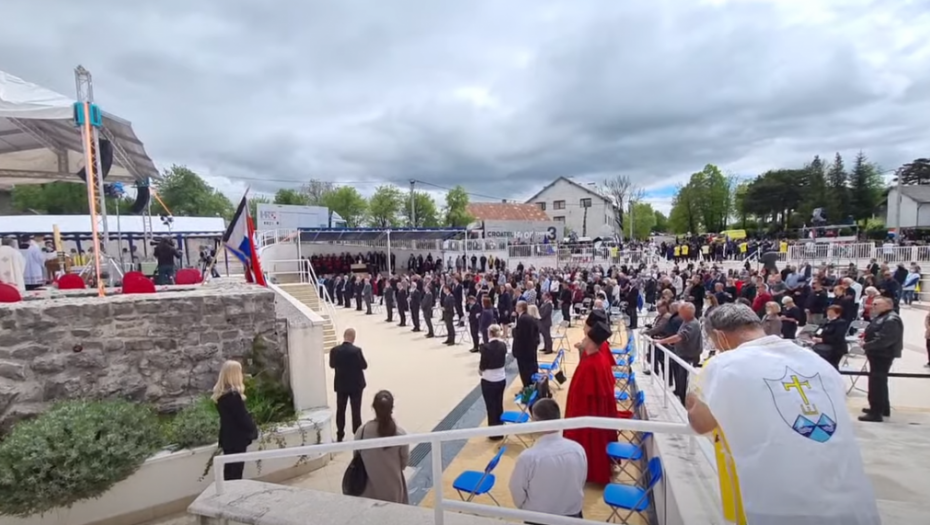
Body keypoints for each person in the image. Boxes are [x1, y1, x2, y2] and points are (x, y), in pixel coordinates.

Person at [687, 303, 880, 525]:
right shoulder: (819, 363)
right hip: (854, 505)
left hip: (784, 509)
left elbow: (700, 422)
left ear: (720, 337)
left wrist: (693, 396)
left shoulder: (725, 365)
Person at [509, 398, 586, 523]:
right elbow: (581, 480)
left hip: (539, 517)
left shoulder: (529, 457)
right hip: (572, 514)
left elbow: (516, 489)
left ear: (536, 422)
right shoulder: (577, 449)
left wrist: (527, 509)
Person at [563, 316, 618, 485]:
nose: (583, 339)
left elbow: (588, 393)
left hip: (586, 410)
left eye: (586, 338)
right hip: (588, 406)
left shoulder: (593, 363)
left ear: (593, 342)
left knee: (589, 439)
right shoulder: (595, 358)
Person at [355, 391, 410, 504]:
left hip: (367, 491)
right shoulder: (400, 434)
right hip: (393, 490)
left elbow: (356, 456)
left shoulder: (362, 432)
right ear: (392, 408)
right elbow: (404, 462)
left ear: (373, 408)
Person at [859, 297, 903, 422]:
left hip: (882, 355)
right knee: (879, 382)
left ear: (887, 305)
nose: (873, 306)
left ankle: (876, 412)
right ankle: (882, 407)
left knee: (877, 383)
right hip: (877, 354)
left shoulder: (891, 319)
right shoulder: (882, 317)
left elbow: (885, 339)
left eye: (876, 304)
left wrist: (867, 345)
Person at [213, 360, 258, 481]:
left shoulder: (220, 396)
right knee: (236, 470)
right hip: (237, 439)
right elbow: (242, 417)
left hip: (227, 438)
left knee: (229, 469)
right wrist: (253, 429)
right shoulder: (233, 396)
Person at [656, 302, 702, 406]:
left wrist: (661, 341)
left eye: (681, 312)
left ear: (686, 313)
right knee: (678, 374)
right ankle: (678, 391)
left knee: (683, 377)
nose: (679, 314)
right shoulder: (686, 321)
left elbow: (679, 336)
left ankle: (682, 399)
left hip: (687, 355)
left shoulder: (691, 324)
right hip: (680, 352)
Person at [329, 328, 368, 441]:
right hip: (356, 385)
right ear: (353, 338)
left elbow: (332, 365)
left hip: (341, 385)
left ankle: (340, 433)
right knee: (356, 410)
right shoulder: (356, 351)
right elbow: (364, 366)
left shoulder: (334, 350)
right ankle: (357, 433)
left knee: (340, 410)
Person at [479, 324, 508, 440]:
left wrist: (480, 370)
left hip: (489, 380)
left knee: (490, 407)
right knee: (499, 404)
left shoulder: (485, 348)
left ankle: (494, 433)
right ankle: (500, 429)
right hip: (501, 378)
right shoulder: (503, 345)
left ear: (490, 333)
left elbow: (483, 364)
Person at [512, 301, 541, 387]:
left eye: (517, 306)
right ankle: (533, 387)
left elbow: (520, 335)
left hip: (524, 351)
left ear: (521, 308)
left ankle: (527, 389)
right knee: (531, 369)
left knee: (525, 371)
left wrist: (514, 330)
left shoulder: (523, 319)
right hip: (530, 349)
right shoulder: (530, 317)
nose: (515, 308)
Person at [811, 305, 849, 369]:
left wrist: (823, 340)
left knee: (831, 365)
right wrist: (814, 336)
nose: (829, 314)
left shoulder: (841, 323)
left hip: (835, 348)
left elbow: (837, 337)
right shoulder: (825, 321)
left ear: (837, 314)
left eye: (831, 312)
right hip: (822, 346)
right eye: (828, 312)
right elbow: (819, 330)